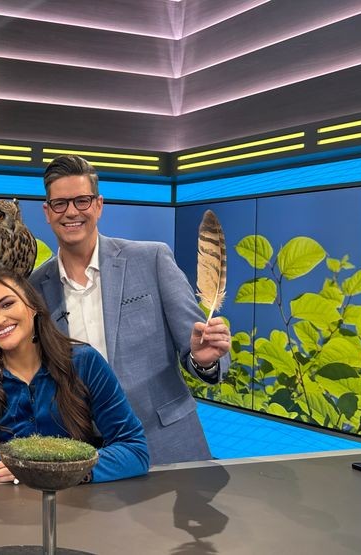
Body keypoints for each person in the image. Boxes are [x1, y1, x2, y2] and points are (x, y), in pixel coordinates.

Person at [29, 154, 231, 465]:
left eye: (82, 201)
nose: (72, 212)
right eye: (60, 203)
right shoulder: (34, 287)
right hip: (90, 459)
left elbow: (199, 346)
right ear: (47, 211)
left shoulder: (150, 259)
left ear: (98, 205)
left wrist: (203, 361)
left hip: (167, 448)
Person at [0, 269, 149, 483]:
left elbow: (134, 450)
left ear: (33, 306)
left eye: (7, 304)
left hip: (77, 508)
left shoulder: (85, 362)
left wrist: (59, 469)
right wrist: (71, 464)